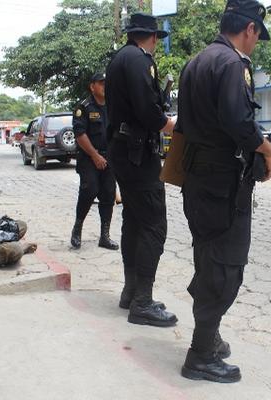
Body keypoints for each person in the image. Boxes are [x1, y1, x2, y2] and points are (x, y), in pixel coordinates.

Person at [176, 0, 271, 383]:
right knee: (226, 266)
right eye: (256, 36)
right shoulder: (233, 64)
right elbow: (239, 121)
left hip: (198, 179)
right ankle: (200, 355)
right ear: (249, 28)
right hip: (223, 183)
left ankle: (209, 336)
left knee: (208, 257)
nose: (255, 44)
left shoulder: (197, 61)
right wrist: (264, 148)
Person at [106, 12, 177, 326]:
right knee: (153, 225)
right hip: (137, 153)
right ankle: (143, 302)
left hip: (124, 151)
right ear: (151, 37)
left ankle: (132, 292)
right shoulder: (139, 60)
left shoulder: (120, 58)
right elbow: (147, 110)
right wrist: (168, 124)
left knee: (134, 221)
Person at [70, 73, 119, 251]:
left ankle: (104, 236)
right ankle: (77, 228)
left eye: (107, 83)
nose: (105, 86)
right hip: (88, 158)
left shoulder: (114, 106)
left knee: (108, 194)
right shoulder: (84, 108)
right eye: (101, 83)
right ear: (92, 86)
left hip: (109, 158)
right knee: (89, 190)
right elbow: (80, 134)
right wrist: (95, 155)